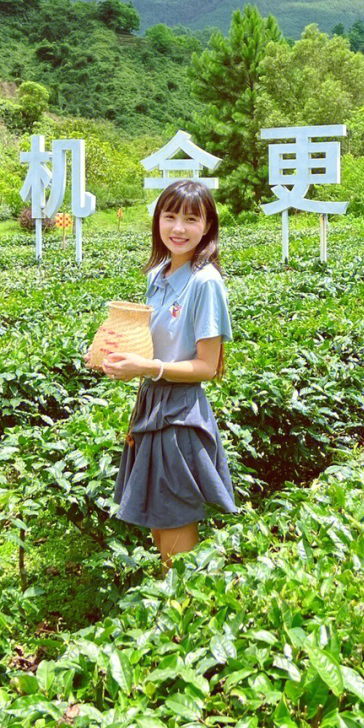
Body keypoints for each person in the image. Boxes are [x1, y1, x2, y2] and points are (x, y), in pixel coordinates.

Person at [91, 179, 237, 570]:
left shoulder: (206, 283)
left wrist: (148, 368)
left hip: (179, 414)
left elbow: (206, 366)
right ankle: (176, 611)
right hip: (150, 405)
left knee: (174, 520)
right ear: (158, 221)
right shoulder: (158, 275)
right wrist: (117, 353)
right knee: (159, 522)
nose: (178, 228)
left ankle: (187, 616)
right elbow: (150, 342)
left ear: (207, 227)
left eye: (191, 219)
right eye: (170, 216)